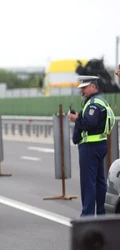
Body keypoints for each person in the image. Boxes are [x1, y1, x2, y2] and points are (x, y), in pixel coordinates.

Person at [68, 75, 116, 216]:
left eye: (84, 87)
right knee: (99, 181)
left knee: (88, 183)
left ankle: (87, 216)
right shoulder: (101, 101)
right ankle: (101, 214)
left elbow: (89, 123)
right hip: (99, 145)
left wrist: (76, 119)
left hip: (90, 146)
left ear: (93, 87)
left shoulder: (93, 104)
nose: (81, 90)